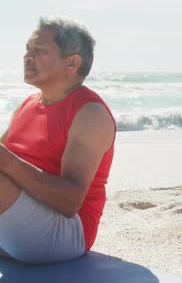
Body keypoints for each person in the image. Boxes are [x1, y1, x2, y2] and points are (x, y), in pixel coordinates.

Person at [0, 18, 116, 263]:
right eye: (27, 49)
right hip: (18, 221)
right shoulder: (28, 104)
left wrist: (9, 163)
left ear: (71, 63)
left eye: (39, 50)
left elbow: (70, 201)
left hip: (66, 231)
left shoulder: (90, 113)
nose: (27, 57)